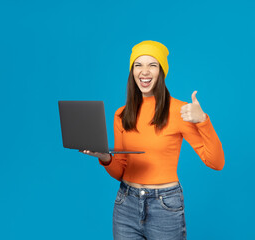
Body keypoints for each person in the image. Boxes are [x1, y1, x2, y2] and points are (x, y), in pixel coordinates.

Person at [80, 40, 224, 240]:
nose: (144, 71)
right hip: (126, 204)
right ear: (132, 72)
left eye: (152, 65)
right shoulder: (122, 114)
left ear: (161, 72)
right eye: (138, 65)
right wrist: (105, 158)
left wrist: (202, 121)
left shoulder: (180, 111)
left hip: (165, 206)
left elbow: (216, 162)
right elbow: (121, 171)